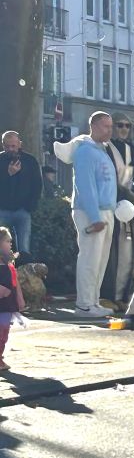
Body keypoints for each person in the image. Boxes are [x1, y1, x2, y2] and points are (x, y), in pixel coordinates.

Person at [71, 112, 118, 318]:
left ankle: (93, 301)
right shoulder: (85, 152)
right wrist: (94, 217)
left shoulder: (102, 150)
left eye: (111, 126)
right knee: (90, 258)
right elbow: (85, 186)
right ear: (94, 126)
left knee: (100, 260)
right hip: (91, 211)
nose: (110, 130)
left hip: (106, 210)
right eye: (106, 126)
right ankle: (84, 304)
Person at [103, 113, 134, 307]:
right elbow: (108, 180)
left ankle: (122, 295)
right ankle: (109, 295)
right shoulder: (105, 150)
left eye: (127, 126)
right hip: (112, 205)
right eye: (119, 125)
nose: (123, 129)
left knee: (128, 252)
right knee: (111, 254)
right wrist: (128, 196)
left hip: (131, 209)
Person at [0, 131, 42, 253]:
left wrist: (30, 206)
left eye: (13, 146)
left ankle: (23, 271)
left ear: (19, 144)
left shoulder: (30, 161)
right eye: (7, 146)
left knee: (23, 248)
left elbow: (37, 185)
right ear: (3, 145)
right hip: (2, 210)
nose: (10, 149)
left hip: (23, 210)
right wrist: (8, 174)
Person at [0, 227, 26, 371]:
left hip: (7, 304)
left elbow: (15, 283)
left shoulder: (9, 264)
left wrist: (20, 299)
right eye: (7, 241)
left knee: (4, 331)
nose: (11, 244)